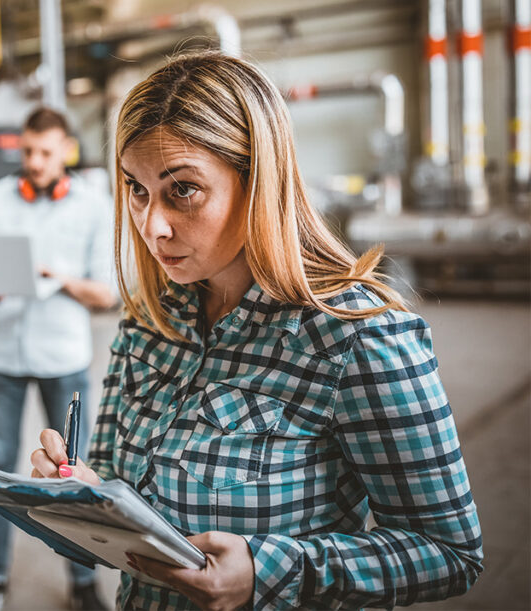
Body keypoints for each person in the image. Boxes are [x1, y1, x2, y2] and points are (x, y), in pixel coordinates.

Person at [29, 52, 484, 610]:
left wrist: (272, 571)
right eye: (138, 189)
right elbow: (118, 494)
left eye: (183, 190)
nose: (152, 225)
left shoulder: (354, 337)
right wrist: (80, 492)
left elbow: (449, 551)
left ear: (258, 183)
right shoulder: (149, 319)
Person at [0, 107, 116, 611]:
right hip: (0, 353)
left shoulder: (94, 206)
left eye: (46, 152)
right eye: (28, 151)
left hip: (63, 357)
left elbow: (107, 294)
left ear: (66, 150)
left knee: (71, 472)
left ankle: (83, 584)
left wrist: (59, 278)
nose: (35, 161)